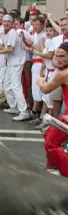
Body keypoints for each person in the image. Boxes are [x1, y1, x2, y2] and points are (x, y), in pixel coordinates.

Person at [38, 41, 68, 176]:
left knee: (51, 143)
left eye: (62, 56)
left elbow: (45, 89)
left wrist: (40, 81)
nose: (58, 59)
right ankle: (53, 167)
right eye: (57, 56)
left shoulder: (62, 75)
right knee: (48, 134)